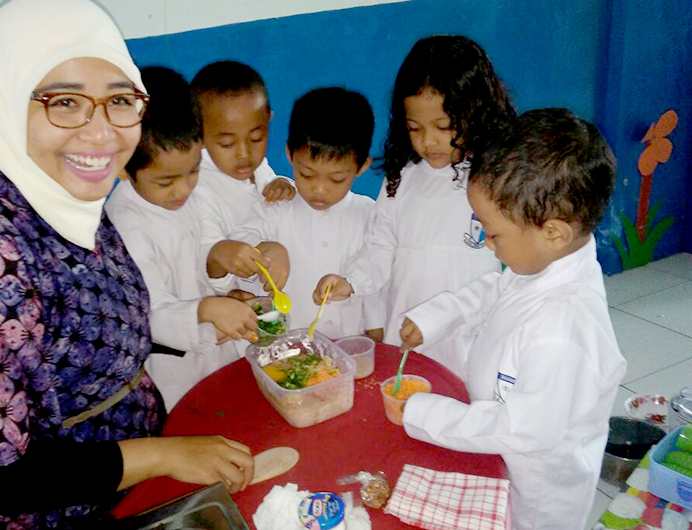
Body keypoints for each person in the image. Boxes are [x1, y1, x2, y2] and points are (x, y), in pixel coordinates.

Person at [0, 2, 253, 528]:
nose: (102, 133)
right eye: (64, 102)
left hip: (135, 475)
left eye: (120, 100)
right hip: (65, 513)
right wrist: (162, 455)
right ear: (9, 97)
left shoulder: (58, 197)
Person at [398, 108, 627, 530]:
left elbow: (522, 429)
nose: (487, 243)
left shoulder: (564, 331)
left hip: (535, 499)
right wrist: (438, 316)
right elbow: (495, 290)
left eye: (494, 233)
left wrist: (421, 413)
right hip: (498, 451)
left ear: (553, 232)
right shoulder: (542, 263)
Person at [315, 36, 515, 377]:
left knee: (459, 392)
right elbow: (380, 246)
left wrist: (447, 315)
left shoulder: (496, 180)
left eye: (444, 127)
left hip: (467, 331)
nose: (428, 141)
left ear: (476, 113)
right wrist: (352, 281)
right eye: (415, 128)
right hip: (406, 324)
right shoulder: (401, 180)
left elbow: (507, 275)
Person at [106, 67, 257, 410]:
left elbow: (200, 254)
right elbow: (150, 313)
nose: (183, 189)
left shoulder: (186, 194)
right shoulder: (125, 225)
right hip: (171, 373)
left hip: (215, 353)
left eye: (194, 171)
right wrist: (206, 309)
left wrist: (222, 278)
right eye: (166, 181)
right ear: (122, 167)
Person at [229, 88, 384, 339]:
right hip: (284, 346)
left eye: (336, 179)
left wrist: (376, 332)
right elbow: (239, 242)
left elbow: (374, 278)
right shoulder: (276, 207)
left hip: (347, 344)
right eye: (307, 175)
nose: (319, 190)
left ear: (362, 166)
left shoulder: (368, 214)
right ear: (290, 155)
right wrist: (264, 249)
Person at [192, 61, 294, 299]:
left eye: (257, 138)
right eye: (227, 144)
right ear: (199, 132)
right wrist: (223, 255)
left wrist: (283, 183)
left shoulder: (256, 167)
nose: (244, 154)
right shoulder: (199, 189)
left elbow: (271, 199)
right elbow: (207, 263)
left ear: (268, 120)